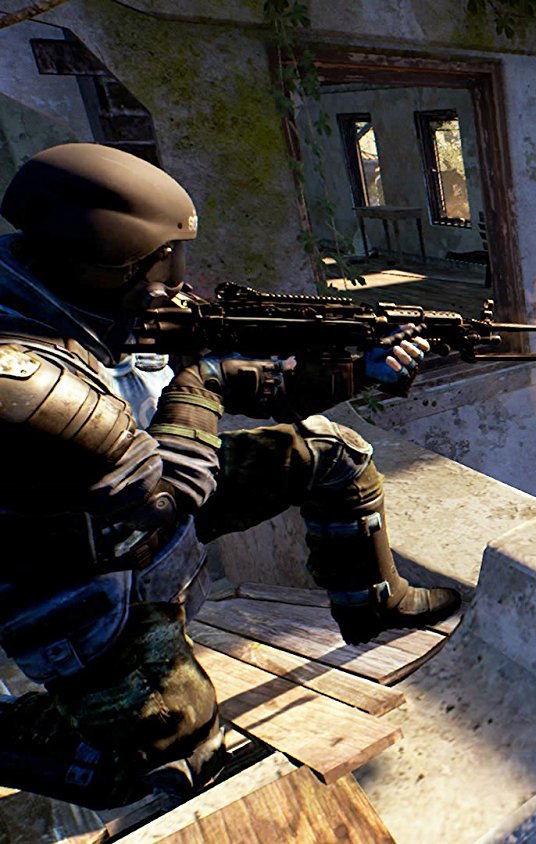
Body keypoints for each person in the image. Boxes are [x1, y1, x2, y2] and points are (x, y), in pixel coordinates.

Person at [0, 143, 460, 808]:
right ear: (105, 263)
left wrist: (360, 370)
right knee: (179, 758)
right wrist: (201, 376)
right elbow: (165, 497)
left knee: (334, 453)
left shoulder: (97, 308)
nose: (176, 283)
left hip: (141, 503)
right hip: (69, 575)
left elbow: (251, 387)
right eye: (160, 264)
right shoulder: (20, 376)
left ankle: (372, 604)